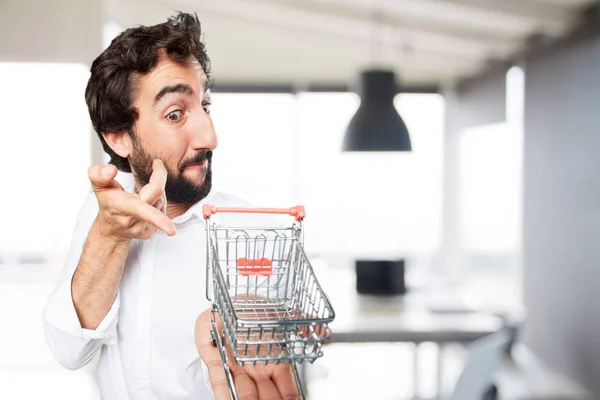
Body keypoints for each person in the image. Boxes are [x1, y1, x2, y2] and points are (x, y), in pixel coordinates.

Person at [43, 11, 300, 400]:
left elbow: (279, 378)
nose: (209, 137)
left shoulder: (254, 233)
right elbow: (69, 350)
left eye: (206, 107)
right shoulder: (101, 217)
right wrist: (110, 238)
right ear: (119, 140)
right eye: (175, 114)